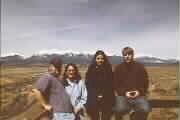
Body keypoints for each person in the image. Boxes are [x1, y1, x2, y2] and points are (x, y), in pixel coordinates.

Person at [113, 47, 151, 120]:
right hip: (123, 95)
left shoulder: (140, 67)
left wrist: (139, 91)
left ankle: (134, 113)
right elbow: (116, 85)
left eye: (129, 54)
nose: (127, 56)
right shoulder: (118, 68)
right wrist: (124, 93)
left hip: (138, 95)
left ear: (133, 55)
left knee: (145, 109)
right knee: (119, 110)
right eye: (125, 55)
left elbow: (145, 82)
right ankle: (131, 110)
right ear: (123, 56)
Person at [85, 50, 115, 120]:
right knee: (92, 109)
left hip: (106, 94)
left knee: (107, 110)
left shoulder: (108, 69)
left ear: (104, 59)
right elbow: (89, 85)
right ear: (95, 59)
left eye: (102, 58)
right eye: (98, 58)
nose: (100, 60)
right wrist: (96, 95)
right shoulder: (91, 69)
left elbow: (111, 85)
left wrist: (102, 95)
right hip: (94, 94)